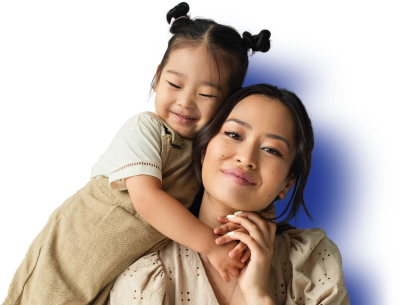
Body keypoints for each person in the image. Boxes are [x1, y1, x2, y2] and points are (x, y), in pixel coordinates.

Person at [2, 2, 273, 305]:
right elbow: (147, 199)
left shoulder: (206, 153)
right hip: (70, 253)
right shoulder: (145, 128)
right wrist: (210, 245)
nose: (185, 102)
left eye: (206, 94)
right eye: (174, 84)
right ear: (157, 78)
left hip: (110, 270)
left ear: (227, 103)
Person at [109, 84, 351, 305]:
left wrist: (258, 295)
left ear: (287, 183)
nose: (246, 158)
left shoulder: (313, 262)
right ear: (203, 149)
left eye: (271, 150)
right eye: (234, 135)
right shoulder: (144, 275)